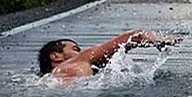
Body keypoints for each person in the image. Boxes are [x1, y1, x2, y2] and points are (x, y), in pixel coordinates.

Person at [38, 29, 180, 80]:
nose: (80, 52)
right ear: (56, 56)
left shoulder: (48, 80)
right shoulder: (81, 59)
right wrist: (159, 41)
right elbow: (135, 36)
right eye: (75, 49)